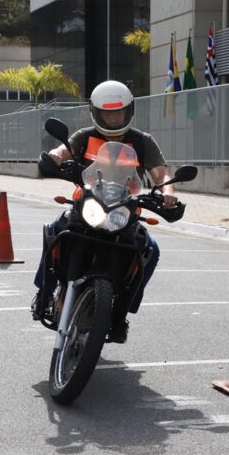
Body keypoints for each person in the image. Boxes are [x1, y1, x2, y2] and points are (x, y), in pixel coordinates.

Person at [34, 80, 178, 343]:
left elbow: (160, 173)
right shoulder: (85, 136)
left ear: (128, 111)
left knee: (150, 250)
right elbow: (63, 150)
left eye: (118, 112)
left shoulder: (142, 141)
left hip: (124, 210)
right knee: (55, 229)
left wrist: (167, 194)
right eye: (107, 112)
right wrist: (53, 158)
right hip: (87, 205)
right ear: (97, 112)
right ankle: (44, 292)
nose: (113, 118)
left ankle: (121, 312)